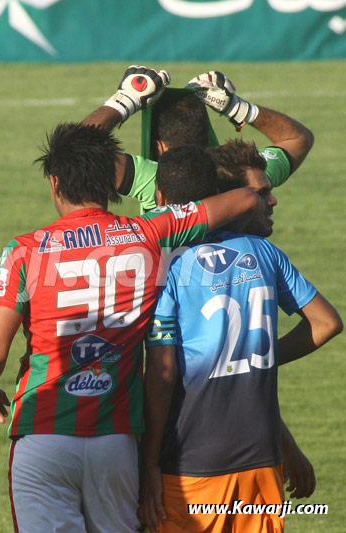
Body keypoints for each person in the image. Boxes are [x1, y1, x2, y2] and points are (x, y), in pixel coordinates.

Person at [0, 125, 262, 533]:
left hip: (44, 433)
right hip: (118, 440)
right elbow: (246, 197)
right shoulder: (147, 232)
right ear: (110, 180)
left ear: (55, 182)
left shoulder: (24, 250)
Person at [138, 141, 342, 532]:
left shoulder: (166, 268)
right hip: (262, 458)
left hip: (191, 463)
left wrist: (148, 463)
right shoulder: (265, 253)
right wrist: (258, 353)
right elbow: (326, 323)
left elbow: (162, 377)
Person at [82, 66, 314, 213]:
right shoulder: (242, 174)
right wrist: (238, 108)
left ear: (160, 147)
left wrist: (125, 100)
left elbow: (77, 152)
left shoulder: (155, 177)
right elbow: (297, 138)